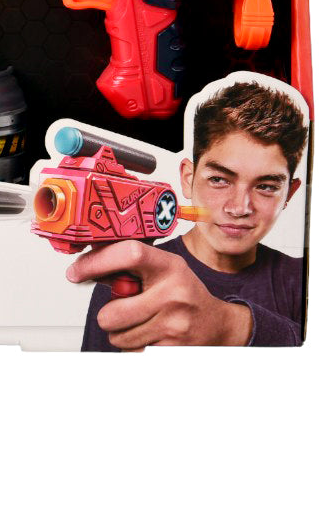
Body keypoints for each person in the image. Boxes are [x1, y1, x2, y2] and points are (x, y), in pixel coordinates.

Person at [76, 80, 308, 350]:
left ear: (289, 193)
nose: (239, 208)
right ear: (188, 178)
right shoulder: (128, 274)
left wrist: (229, 327)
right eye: (219, 180)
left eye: (266, 187)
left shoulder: (304, 279)